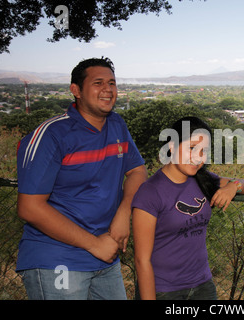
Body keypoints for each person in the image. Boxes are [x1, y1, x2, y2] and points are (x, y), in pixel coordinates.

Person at [16, 57, 147, 300]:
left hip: (106, 254)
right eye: (98, 83)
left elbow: (138, 171)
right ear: (76, 90)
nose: (108, 89)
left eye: (112, 82)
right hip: (57, 256)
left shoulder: (117, 125)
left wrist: (123, 214)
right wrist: (94, 244)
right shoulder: (52, 135)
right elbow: (29, 208)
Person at [132, 116, 244, 300]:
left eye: (203, 151)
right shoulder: (150, 193)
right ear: (172, 147)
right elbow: (142, 261)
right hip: (164, 290)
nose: (198, 157)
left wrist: (232, 187)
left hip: (202, 285)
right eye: (191, 148)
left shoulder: (202, 179)